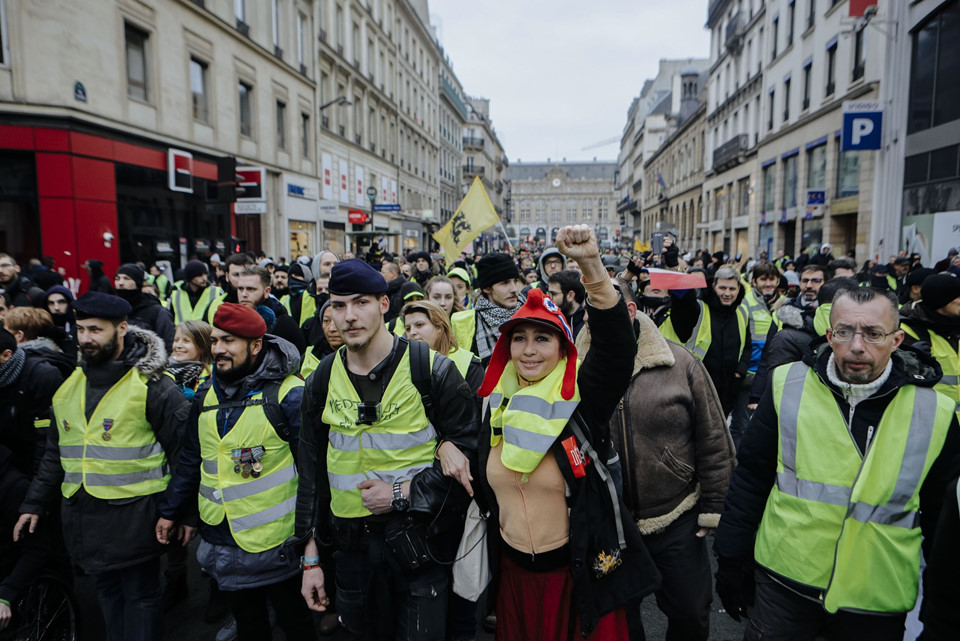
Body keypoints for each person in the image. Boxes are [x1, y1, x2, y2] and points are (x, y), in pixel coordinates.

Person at [714, 287, 960, 640]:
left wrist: (942, 614)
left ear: (897, 340)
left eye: (874, 334)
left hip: (875, 596)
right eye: (844, 332)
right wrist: (731, 558)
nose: (857, 346)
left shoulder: (934, 412)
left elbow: (943, 522)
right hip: (785, 582)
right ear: (829, 335)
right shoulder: (788, 385)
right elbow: (752, 477)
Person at [474, 225, 659, 640]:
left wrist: (591, 266)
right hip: (515, 578)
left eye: (543, 338)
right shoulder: (493, 405)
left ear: (563, 348)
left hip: (577, 578)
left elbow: (615, 350)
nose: (529, 350)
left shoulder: (581, 398)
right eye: (518, 339)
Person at [296, 258, 479, 641]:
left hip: (420, 546)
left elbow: (472, 455)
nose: (349, 316)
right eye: (339, 305)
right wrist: (310, 558)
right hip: (350, 552)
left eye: (360, 302)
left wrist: (402, 492)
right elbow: (310, 472)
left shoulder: (432, 370)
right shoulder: (322, 379)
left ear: (383, 304)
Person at [15, 292, 189, 641]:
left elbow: (184, 453)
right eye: (80, 329)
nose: (85, 338)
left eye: (96, 329)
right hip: (84, 518)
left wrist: (182, 514)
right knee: (108, 595)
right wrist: (34, 503)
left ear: (122, 328)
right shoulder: (69, 387)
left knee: (140, 598)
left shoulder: (152, 386)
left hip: (138, 519)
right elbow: (55, 453)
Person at [578, 279, 734, 640]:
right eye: (589, 314)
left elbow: (713, 438)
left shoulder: (680, 363)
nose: (592, 321)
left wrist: (714, 507)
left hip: (675, 517)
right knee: (620, 621)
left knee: (691, 613)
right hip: (611, 522)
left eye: (603, 313)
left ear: (629, 311)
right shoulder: (573, 368)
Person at [157, 303, 316, 641]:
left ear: (256, 345)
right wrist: (173, 511)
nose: (218, 350)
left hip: (277, 545)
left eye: (229, 342)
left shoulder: (289, 396)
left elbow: (313, 473)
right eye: (215, 341)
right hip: (221, 540)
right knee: (250, 626)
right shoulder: (206, 396)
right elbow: (192, 457)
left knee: (295, 623)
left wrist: (312, 540)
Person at [748, 278, 857, 409]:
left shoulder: (860, 336)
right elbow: (776, 387)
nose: (809, 285)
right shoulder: (790, 337)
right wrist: (757, 396)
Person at [660, 266, 750, 416]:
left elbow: (746, 346)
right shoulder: (700, 308)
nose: (727, 293)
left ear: (739, 289)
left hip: (728, 391)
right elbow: (684, 305)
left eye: (732, 289)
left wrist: (740, 372)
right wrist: (674, 267)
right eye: (722, 288)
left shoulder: (742, 312)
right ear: (714, 286)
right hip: (697, 388)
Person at [0, 322, 72, 477]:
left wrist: (35, 492)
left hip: (34, 470)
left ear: (6, 355)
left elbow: (48, 441)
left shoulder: (43, 377)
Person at [451, 253, 525, 367]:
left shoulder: (530, 315)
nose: (514, 289)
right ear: (486, 288)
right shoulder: (464, 323)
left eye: (515, 281)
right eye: (505, 283)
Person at [900, 273, 960, 407]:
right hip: (936, 419)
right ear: (942, 300)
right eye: (957, 296)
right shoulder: (909, 331)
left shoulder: (956, 329)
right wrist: (909, 357)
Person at [402, 300, 482, 392]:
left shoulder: (469, 364)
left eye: (419, 325)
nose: (412, 332)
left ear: (439, 327)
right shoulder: (403, 364)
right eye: (408, 328)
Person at [235, 265, 306, 355]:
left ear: (267, 292)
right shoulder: (232, 321)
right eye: (240, 289)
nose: (244, 294)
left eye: (250, 289)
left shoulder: (284, 325)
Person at [114, 263, 176, 354]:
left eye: (126, 278)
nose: (120, 283)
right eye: (117, 279)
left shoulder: (157, 311)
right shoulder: (111, 309)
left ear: (137, 282)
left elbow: (168, 344)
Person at [169, 260, 222, 324]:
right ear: (190, 277)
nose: (204, 278)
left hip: (208, 333)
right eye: (199, 275)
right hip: (183, 333)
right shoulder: (176, 296)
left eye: (205, 274)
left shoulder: (216, 292)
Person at [37, 285, 78, 362]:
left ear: (69, 303)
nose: (56, 307)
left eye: (61, 302)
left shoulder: (79, 326)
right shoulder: (41, 328)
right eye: (51, 303)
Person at [546, 270, 586, 339]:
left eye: (553, 294)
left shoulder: (585, 326)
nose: (548, 298)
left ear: (570, 295)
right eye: (548, 293)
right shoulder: (552, 320)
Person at [281, 262, 318, 328]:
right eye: (291, 276)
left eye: (297, 275)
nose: (293, 278)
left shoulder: (313, 296)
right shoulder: (284, 299)